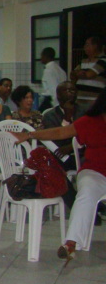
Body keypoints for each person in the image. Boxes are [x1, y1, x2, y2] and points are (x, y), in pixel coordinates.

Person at [11, 87, 106, 262]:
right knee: (85, 195)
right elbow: (61, 132)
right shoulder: (91, 121)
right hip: (95, 172)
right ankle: (71, 243)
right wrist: (30, 134)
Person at [43, 82, 84, 168]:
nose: (70, 92)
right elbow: (56, 141)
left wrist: (72, 146)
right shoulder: (50, 116)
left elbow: (89, 135)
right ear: (58, 95)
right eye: (66, 90)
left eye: (73, 90)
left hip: (83, 153)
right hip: (61, 157)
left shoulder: (85, 112)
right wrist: (67, 118)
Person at [71, 36, 106, 113]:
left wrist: (79, 73)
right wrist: (78, 73)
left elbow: (89, 74)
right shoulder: (83, 61)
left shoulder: (103, 61)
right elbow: (72, 74)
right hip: (79, 100)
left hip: (94, 101)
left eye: (87, 45)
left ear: (95, 46)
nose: (84, 47)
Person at [39, 47, 67, 111]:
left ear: (46, 56)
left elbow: (54, 89)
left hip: (51, 101)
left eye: (42, 56)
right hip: (61, 100)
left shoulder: (49, 70)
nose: (41, 58)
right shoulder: (60, 70)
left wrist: (56, 108)